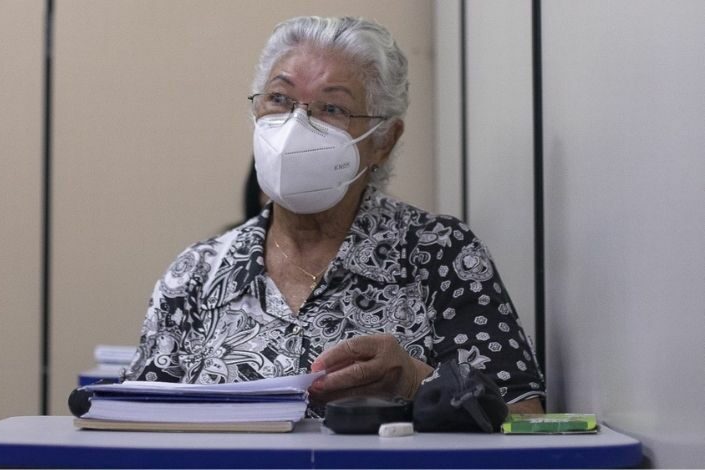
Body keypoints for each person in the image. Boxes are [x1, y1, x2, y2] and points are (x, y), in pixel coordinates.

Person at [125, 16, 545, 415]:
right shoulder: (196, 275)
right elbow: (131, 423)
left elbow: (525, 416)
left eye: (331, 109)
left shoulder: (439, 255)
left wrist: (416, 382)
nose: (296, 126)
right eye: (279, 99)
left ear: (383, 140)